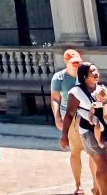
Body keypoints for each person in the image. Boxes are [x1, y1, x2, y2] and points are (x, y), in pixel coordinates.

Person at [62, 62, 107, 195]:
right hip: (89, 132)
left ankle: (97, 189)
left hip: (104, 130)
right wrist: (64, 136)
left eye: (96, 69)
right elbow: (69, 115)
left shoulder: (102, 89)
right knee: (102, 165)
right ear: (84, 75)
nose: (96, 73)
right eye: (92, 71)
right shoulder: (75, 92)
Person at [54, 48, 88, 195]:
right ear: (66, 62)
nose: (76, 65)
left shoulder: (85, 74)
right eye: (73, 62)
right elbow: (55, 98)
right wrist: (57, 118)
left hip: (86, 116)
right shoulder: (59, 78)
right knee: (75, 152)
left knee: (93, 153)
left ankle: (97, 184)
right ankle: (78, 185)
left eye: (78, 62)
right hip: (70, 118)